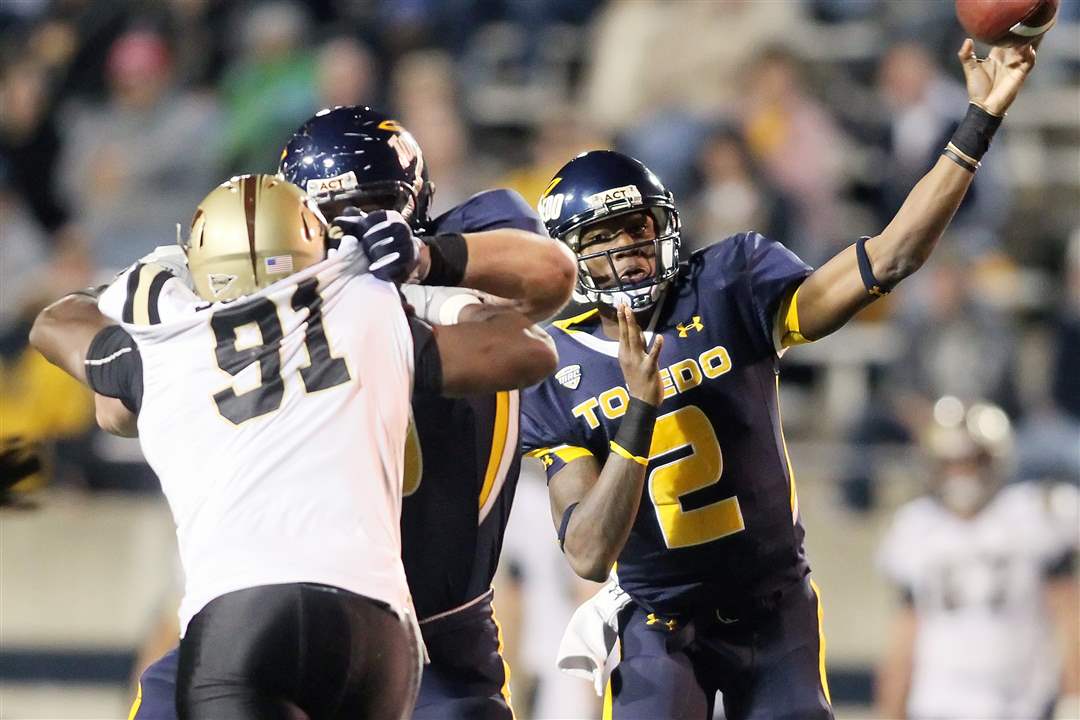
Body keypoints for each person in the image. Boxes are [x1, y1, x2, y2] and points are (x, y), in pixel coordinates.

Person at [520, 41, 1037, 719]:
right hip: (658, 625)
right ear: (568, 257)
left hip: (774, 607)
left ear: (664, 225)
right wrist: (637, 420)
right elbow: (588, 552)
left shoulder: (729, 279)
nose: (626, 251)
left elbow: (891, 255)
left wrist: (977, 121)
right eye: (602, 238)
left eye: (636, 227)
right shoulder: (553, 370)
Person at [87, 106, 575, 720]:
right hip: (274, 592)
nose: (353, 232)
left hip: (436, 632)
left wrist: (426, 258)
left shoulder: (462, 248)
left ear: (414, 205)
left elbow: (544, 275)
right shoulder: (267, 302)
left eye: (373, 209)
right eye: (331, 217)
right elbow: (111, 405)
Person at [875, 397, 1078, 720]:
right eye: (951, 462)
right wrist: (890, 711)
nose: (961, 474)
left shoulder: (1034, 513)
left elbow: (1069, 614)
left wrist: (1073, 696)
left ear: (994, 460)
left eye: (971, 461)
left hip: (1019, 705)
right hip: (936, 705)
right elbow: (905, 634)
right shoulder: (916, 526)